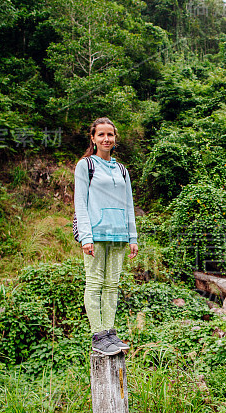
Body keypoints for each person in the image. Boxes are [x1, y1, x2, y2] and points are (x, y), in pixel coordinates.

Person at [74, 117, 138, 355]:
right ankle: (98, 334)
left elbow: (128, 204)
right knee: (94, 283)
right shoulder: (85, 166)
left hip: (119, 235)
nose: (106, 139)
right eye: (101, 134)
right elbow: (80, 203)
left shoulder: (122, 170)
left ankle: (110, 333)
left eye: (110, 134)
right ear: (93, 138)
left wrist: (133, 237)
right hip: (95, 234)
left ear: (115, 138)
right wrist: (85, 237)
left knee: (112, 285)